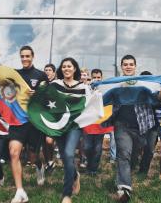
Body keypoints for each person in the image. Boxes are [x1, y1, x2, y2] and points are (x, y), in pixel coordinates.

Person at [106, 55, 161, 202]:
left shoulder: (143, 83)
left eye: (131, 64)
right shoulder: (115, 84)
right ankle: (124, 188)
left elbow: (158, 99)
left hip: (141, 126)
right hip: (121, 125)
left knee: (133, 155)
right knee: (123, 153)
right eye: (125, 64)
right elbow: (103, 95)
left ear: (135, 66)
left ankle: (124, 176)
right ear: (121, 67)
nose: (128, 67)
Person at [9, 46, 48, 203]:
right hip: (18, 119)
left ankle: (39, 166)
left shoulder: (41, 75)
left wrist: (37, 94)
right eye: (22, 56)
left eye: (27, 56)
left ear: (33, 57)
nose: (25, 58)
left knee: (32, 156)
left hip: (34, 121)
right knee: (14, 153)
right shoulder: (15, 74)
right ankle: (20, 191)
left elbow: (48, 98)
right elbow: (8, 93)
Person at [52, 57, 85, 203]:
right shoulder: (55, 84)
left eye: (69, 66)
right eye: (64, 66)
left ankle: (66, 194)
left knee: (68, 153)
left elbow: (88, 104)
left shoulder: (82, 87)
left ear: (74, 69)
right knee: (66, 159)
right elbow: (47, 101)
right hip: (59, 126)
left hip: (74, 126)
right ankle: (75, 175)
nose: (66, 68)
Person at [83, 68, 112, 175]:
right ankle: (89, 164)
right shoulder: (86, 88)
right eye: (94, 77)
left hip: (100, 123)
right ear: (91, 78)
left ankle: (93, 169)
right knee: (87, 146)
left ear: (102, 78)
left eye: (98, 77)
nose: (96, 79)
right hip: (88, 123)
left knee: (97, 147)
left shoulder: (106, 89)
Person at [43, 63, 57, 173]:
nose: (47, 71)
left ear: (54, 72)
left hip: (53, 117)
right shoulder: (41, 84)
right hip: (41, 116)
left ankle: (51, 159)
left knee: (49, 141)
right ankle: (48, 163)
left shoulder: (58, 84)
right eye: (46, 70)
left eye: (49, 70)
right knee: (44, 141)